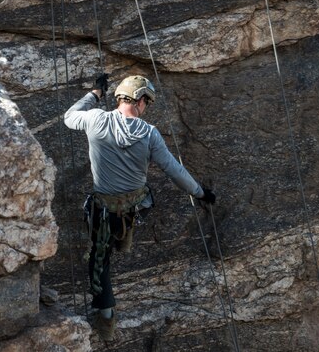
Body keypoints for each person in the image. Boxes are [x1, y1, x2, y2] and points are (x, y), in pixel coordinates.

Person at [64, 73, 216, 343]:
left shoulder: (95, 118)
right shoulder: (149, 134)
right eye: (147, 101)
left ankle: (107, 321)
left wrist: (95, 94)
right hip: (136, 205)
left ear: (121, 96)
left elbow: (69, 116)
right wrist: (200, 192)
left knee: (98, 264)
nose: (146, 107)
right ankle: (124, 235)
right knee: (136, 203)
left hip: (104, 210)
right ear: (140, 99)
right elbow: (173, 169)